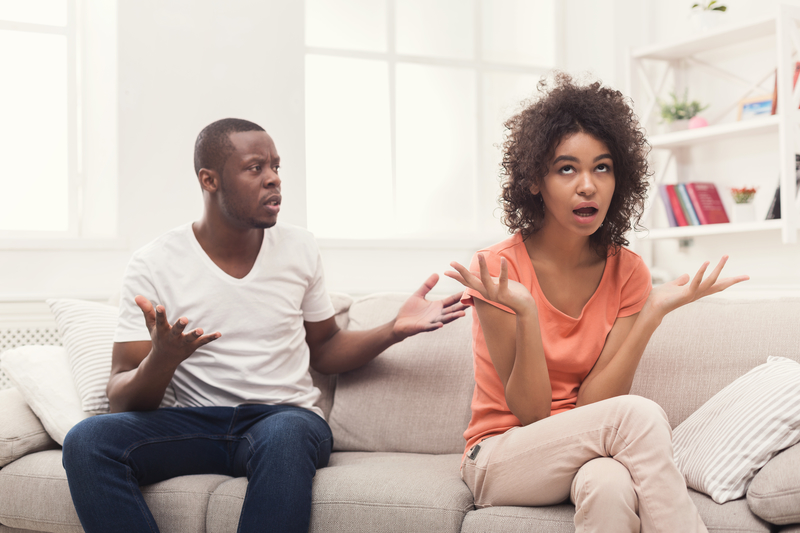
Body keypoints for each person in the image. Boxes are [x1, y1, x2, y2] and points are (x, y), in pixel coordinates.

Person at [61, 118, 467, 533]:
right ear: (210, 180)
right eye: (256, 168)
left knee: (288, 432)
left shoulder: (299, 247)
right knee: (88, 440)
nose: (273, 179)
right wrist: (162, 360)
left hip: (284, 419)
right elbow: (121, 400)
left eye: (276, 166)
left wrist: (392, 330)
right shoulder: (154, 262)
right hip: (199, 425)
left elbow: (325, 349)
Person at [445, 73, 749, 533]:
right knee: (638, 413)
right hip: (500, 455)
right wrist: (526, 312)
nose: (587, 185)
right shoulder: (496, 268)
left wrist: (651, 314)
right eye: (567, 168)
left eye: (602, 167)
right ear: (534, 181)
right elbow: (529, 414)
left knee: (610, 485)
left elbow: (593, 404)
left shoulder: (628, 271)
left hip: (584, 446)